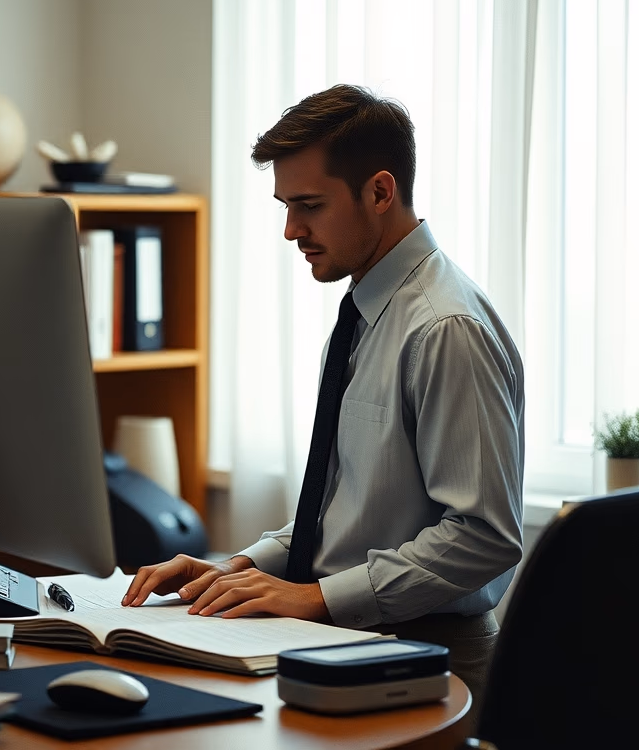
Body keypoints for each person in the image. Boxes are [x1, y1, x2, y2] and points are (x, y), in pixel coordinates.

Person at [122, 84, 524, 714]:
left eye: (308, 205)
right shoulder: (366, 314)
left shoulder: (444, 329)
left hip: (427, 657)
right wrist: (231, 569)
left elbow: (483, 538)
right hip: (353, 641)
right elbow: (341, 519)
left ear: (381, 192)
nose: (290, 230)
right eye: (285, 206)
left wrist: (315, 598)